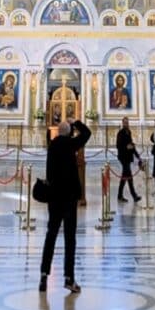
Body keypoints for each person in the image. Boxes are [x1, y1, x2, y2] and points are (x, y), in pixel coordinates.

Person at [39, 115, 92, 295]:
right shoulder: (70, 145)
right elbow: (87, 133)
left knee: (51, 235)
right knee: (70, 239)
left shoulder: (52, 145)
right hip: (68, 198)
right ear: (70, 134)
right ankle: (69, 278)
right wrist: (75, 122)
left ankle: (44, 275)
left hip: (54, 198)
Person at [116, 121, 141, 204]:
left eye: (127, 122)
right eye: (125, 123)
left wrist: (137, 156)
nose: (127, 124)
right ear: (123, 123)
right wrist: (126, 147)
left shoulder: (128, 132)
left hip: (128, 157)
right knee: (129, 177)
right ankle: (134, 196)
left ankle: (120, 195)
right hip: (123, 157)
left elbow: (131, 144)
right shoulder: (120, 133)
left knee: (124, 177)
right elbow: (118, 145)